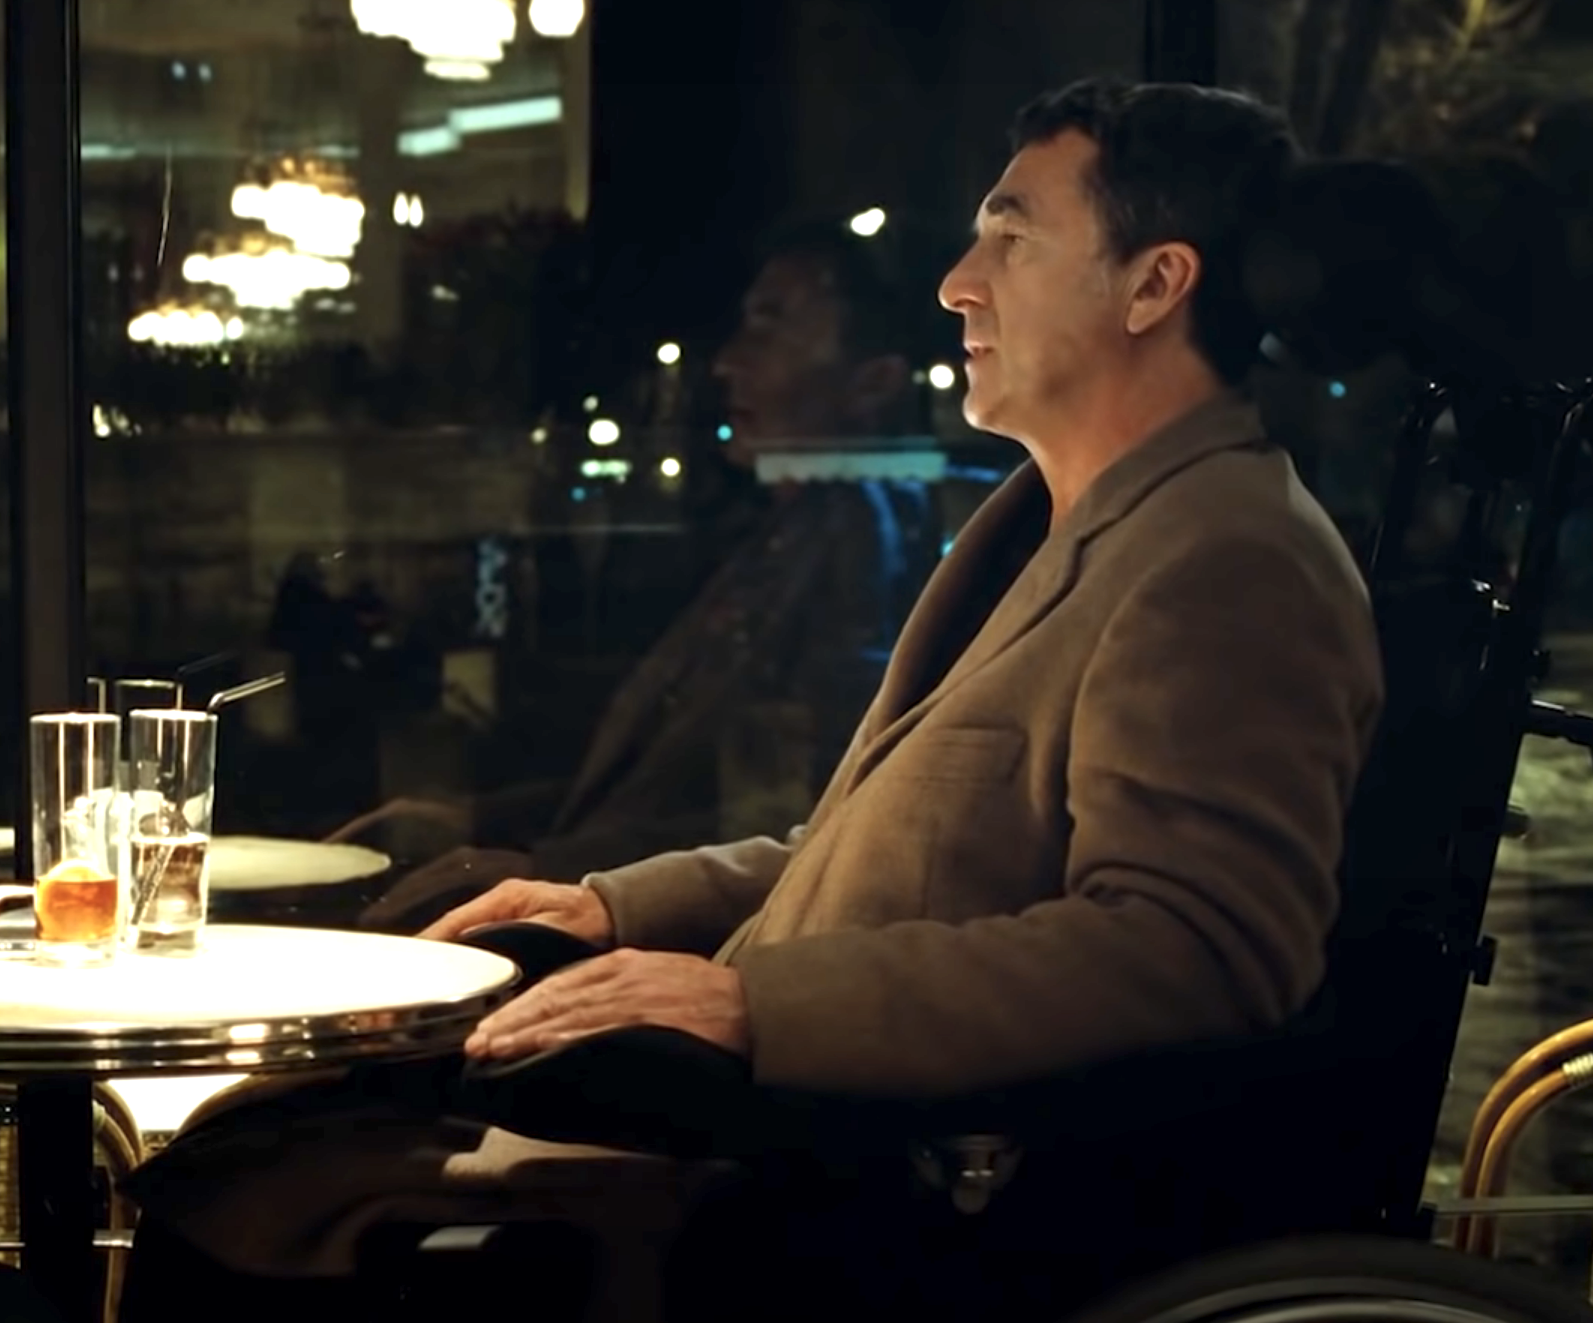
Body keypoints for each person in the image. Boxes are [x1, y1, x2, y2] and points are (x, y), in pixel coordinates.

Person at [124, 80, 1382, 1323]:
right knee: (244, 1144)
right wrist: (614, 905)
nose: (959, 281)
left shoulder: (1226, 557)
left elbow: (1193, 950)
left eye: (1009, 235)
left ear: (1154, 284)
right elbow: (894, 848)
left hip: (867, 1193)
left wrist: (747, 1005)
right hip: (763, 1130)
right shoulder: (1061, 533)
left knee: (251, 1206)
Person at [350, 222, 947, 931]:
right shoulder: (788, 531)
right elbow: (669, 774)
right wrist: (479, 818)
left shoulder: (866, 541)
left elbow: (797, 812)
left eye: (771, 325)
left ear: (873, 381)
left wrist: (548, 870)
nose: (727, 363)